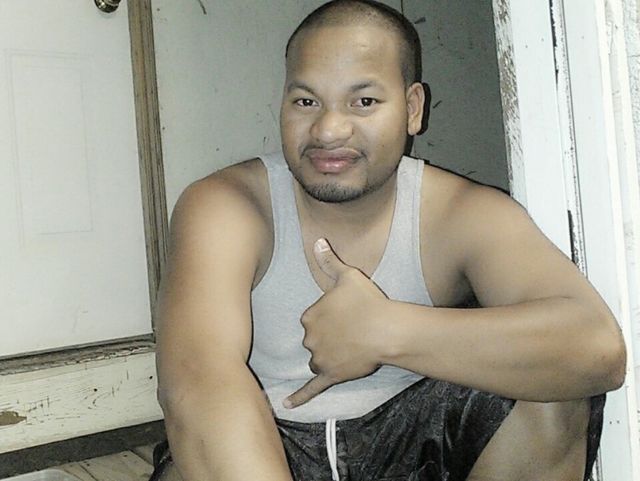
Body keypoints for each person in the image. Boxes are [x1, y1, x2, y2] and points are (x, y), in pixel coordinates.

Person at [151, 1, 627, 480]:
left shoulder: (462, 213)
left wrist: (385, 332)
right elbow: (198, 380)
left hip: (417, 450)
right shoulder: (228, 206)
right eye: (306, 102)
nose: (328, 130)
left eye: (364, 102)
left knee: (551, 388)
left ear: (412, 108)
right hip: (265, 445)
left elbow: (596, 349)